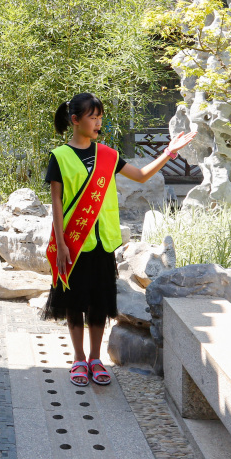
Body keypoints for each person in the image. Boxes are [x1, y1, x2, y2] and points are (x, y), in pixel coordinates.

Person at [44, 93, 195, 387]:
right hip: (74, 242)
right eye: (93, 117)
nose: (98, 123)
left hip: (102, 242)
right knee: (75, 303)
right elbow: (57, 201)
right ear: (75, 120)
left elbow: (140, 175)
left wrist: (169, 152)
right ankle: (78, 359)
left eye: (100, 117)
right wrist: (61, 244)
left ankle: (95, 359)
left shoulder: (108, 155)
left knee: (99, 302)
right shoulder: (59, 156)